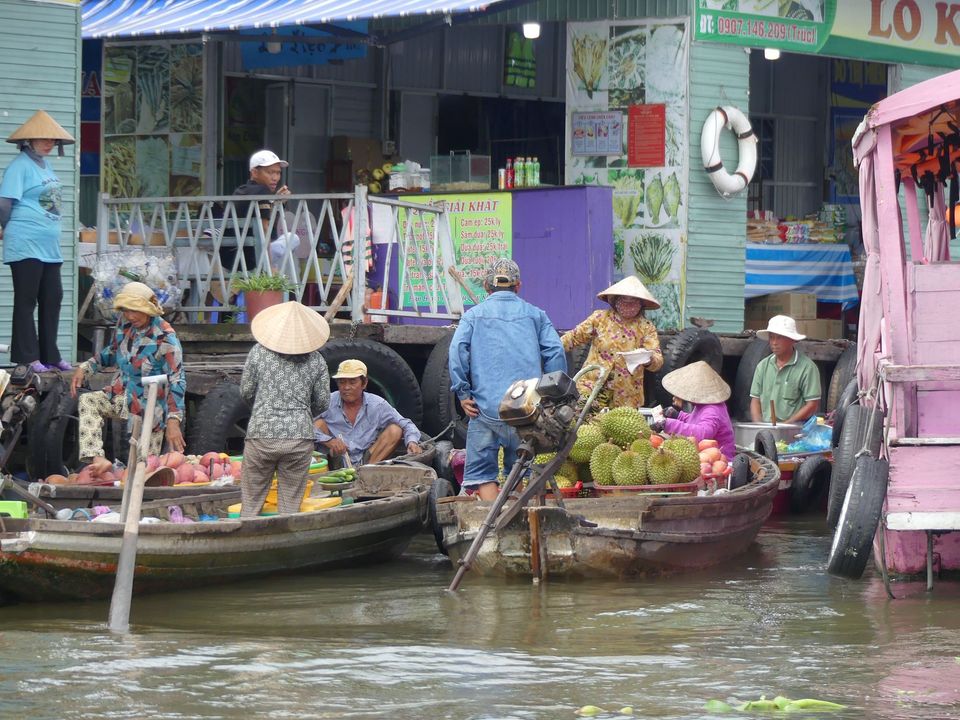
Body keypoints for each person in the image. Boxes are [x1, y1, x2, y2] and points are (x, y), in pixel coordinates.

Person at [448, 258, 566, 501]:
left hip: (484, 409)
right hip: (525, 408)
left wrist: (463, 393)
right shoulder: (536, 315)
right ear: (518, 286)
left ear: (486, 286)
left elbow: (457, 352)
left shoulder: (473, 316)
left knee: (482, 473)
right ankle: (515, 520)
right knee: (519, 469)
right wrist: (553, 398)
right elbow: (555, 353)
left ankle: (492, 526)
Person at [70, 282, 186, 474]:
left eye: (135, 311)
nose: (130, 316)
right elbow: (111, 352)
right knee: (89, 401)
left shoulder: (166, 339)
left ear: (148, 310)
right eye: (126, 311)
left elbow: (177, 379)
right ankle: (98, 459)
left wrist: (174, 420)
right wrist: (86, 367)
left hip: (150, 409)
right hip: (122, 394)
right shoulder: (125, 326)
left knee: (143, 470)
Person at [0, 110, 75, 373]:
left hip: (49, 248)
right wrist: (2, 227)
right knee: (26, 299)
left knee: (53, 296)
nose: (48, 143)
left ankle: (50, 354)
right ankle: (27, 356)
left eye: (52, 140)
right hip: (25, 242)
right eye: (43, 139)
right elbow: (5, 202)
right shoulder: (19, 166)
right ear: (28, 141)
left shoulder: (46, 165)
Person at [240, 301, 330, 517]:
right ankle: (284, 543)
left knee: (251, 502)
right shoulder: (317, 360)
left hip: (261, 435)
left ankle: (247, 537)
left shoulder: (258, 353)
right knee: (290, 506)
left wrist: (262, 409)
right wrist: (302, 412)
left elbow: (246, 392)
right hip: (299, 438)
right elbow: (322, 402)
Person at [561, 275, 663, 408]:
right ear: (615, 300)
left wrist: (648, 359)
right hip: (591, 387)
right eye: (624, 300)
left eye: (633, 302)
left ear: (641, 304)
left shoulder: (646, 327)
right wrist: (550, 350)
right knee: (585, 424)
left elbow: (658, 361)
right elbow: (572, 338)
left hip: (627, 397)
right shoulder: (599, 319)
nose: (628, 305)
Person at [314, 359, 422, 467]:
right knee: (318, 424)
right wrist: (330, 441)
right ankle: (327, 470)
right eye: (342, 382)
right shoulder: (327, 401)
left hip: (367, 456)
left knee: (395, 430)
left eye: (352, 382)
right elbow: (302, 426)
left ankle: (368, 470)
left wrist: (412, 442)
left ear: (364, 383)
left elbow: (407, 424)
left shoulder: (377, 405)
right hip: (336, 457)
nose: (346, 387)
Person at [651, 361, 736, 459]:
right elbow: (696, 422)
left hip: (719, 459)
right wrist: (678, 415)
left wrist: (668, 424)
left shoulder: (713, 409)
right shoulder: (703, 405)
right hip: (701, 456)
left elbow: (703, 433)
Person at [750, 314, 821, 424]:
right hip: (767, 429)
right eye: (772, 337)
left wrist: (785, 426)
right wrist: (759, 425)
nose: (774, 342)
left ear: (792, 340)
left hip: (795, 431)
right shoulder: (762, 366)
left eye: (779, 337)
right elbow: (755, 401)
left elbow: (812, 405)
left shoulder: (807, 368)